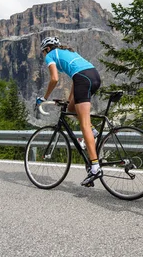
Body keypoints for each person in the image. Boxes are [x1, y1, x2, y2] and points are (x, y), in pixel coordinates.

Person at [36, 36, 102, 187]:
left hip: (83, 79)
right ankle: (93, 131)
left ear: (46, 49)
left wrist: (44, 97)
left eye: (43, 52)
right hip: (94, 76)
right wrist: (70, 100)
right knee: (72, 108)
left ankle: (94, 167)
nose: (44, 55)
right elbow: (76, 77)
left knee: (83, 125)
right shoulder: (69, 53)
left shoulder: (51, 55)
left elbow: (54, 79)